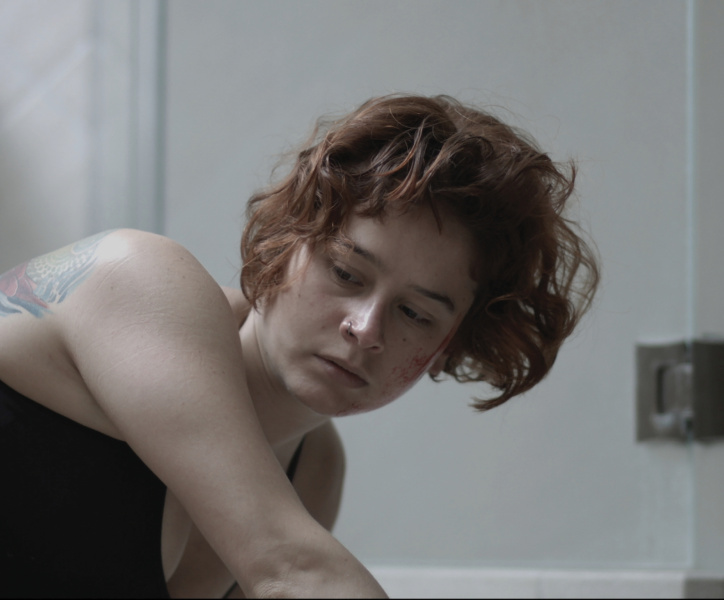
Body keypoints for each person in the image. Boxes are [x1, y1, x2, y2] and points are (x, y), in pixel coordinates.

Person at [0, 94, 599, 598]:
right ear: (285, 245)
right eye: (346, 273)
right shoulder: (138, 280)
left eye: (416, 314)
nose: (365, 328)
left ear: (448, 345)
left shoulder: (314, 470)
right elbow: (290, 568)